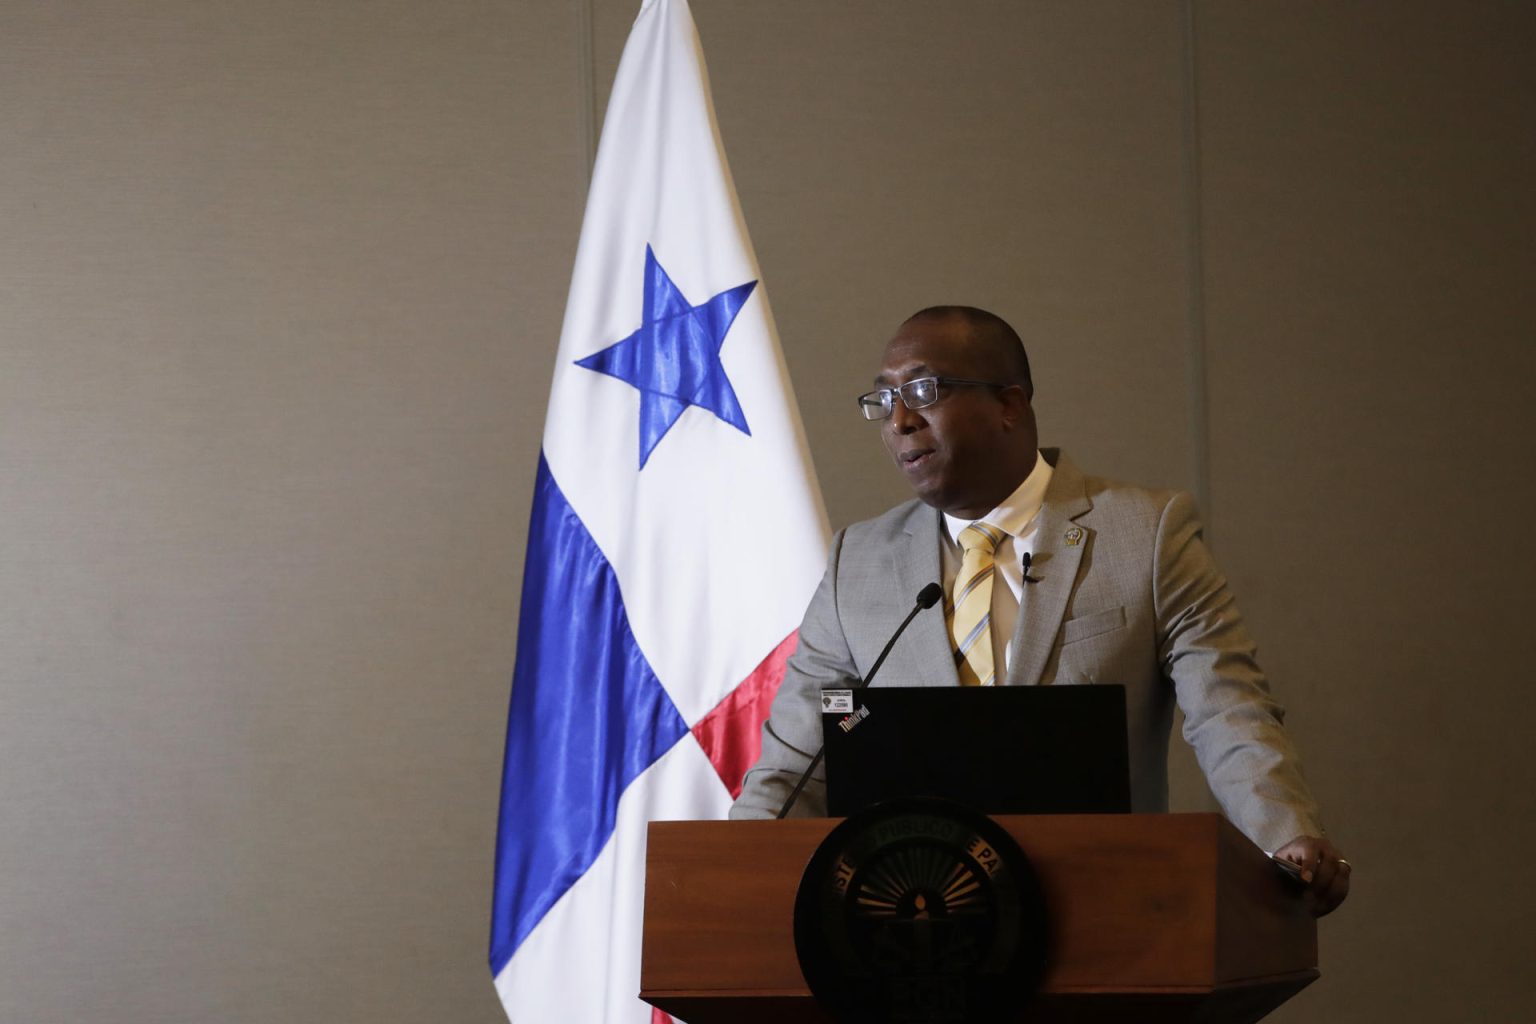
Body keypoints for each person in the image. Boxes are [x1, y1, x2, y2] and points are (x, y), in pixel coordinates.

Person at [730, 305, 1350, 915]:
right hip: (914, 923)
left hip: (1102, 912)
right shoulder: (856, 563)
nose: (899, 420)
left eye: (922, 390)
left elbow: (1228, 710)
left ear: (1009, 404)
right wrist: (729, 872)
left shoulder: (1146, 535)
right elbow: (797, 763)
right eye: (882, 399)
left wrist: (1284, 834)